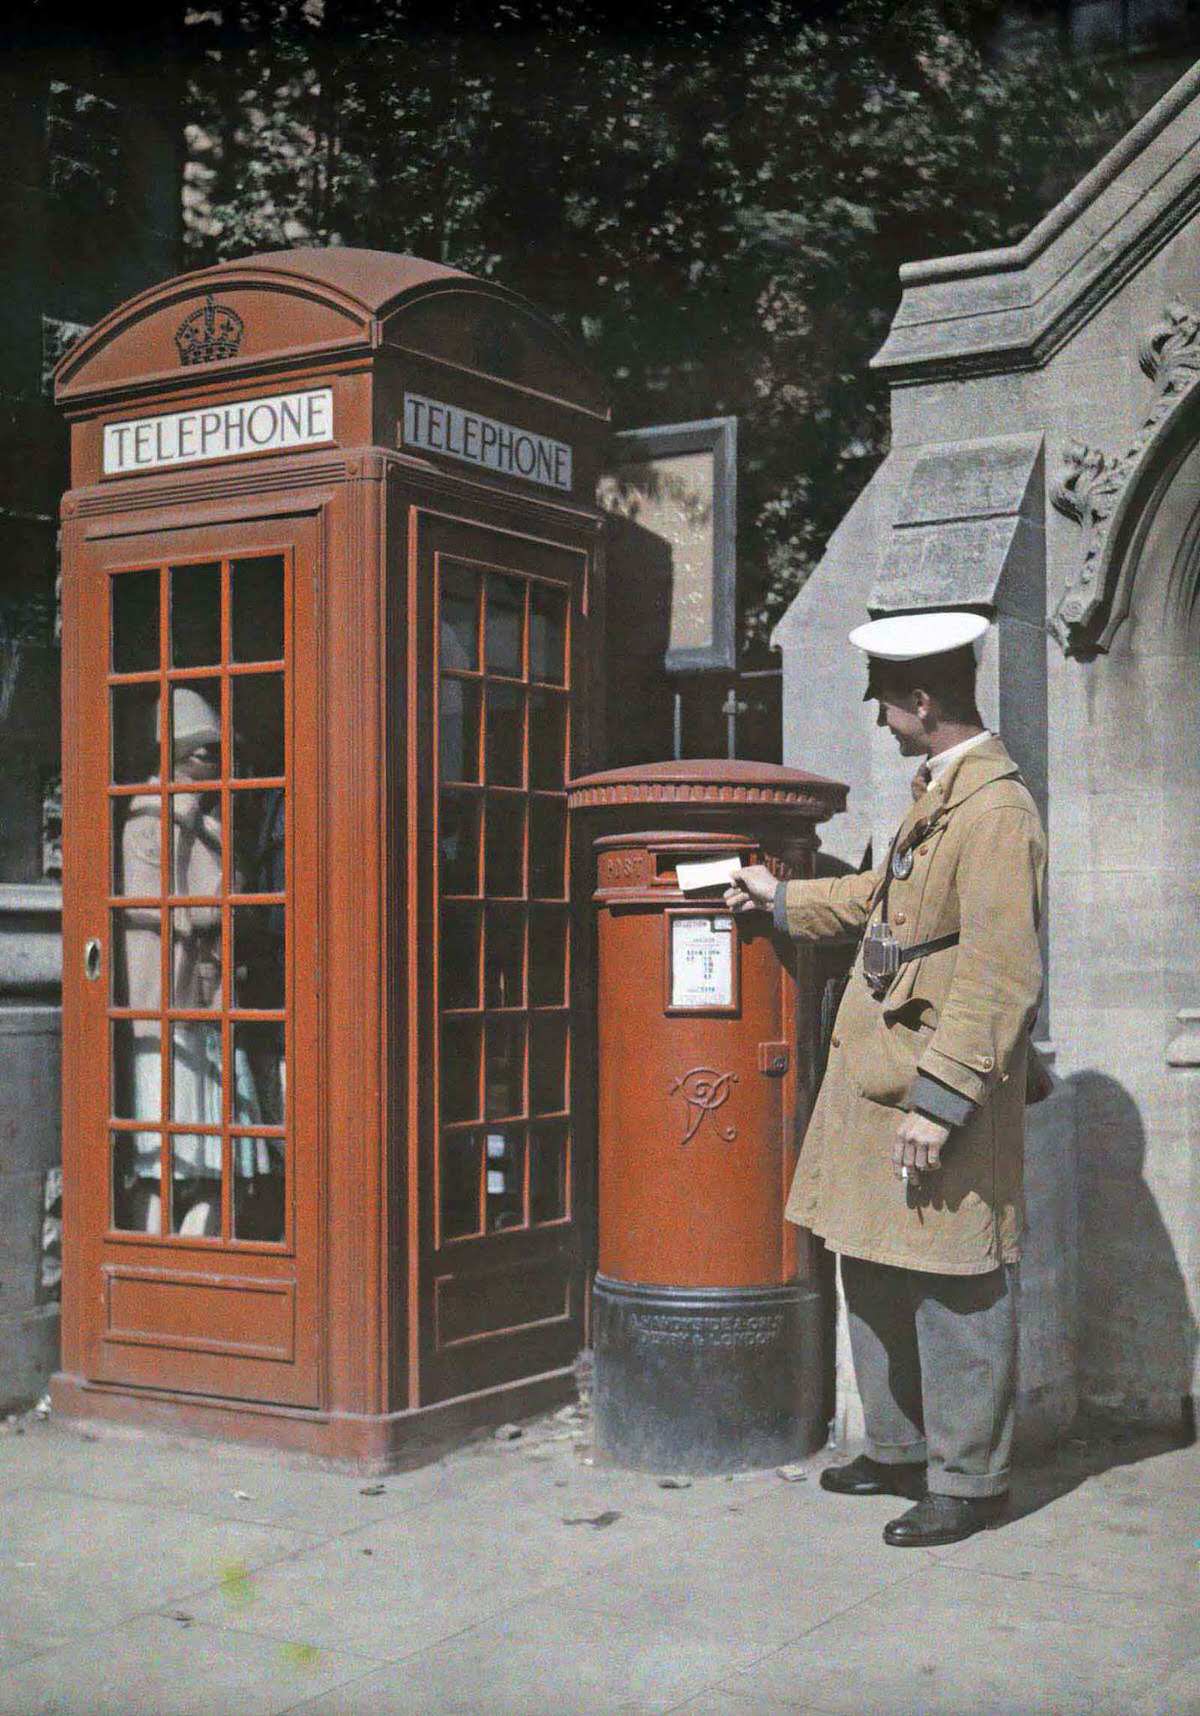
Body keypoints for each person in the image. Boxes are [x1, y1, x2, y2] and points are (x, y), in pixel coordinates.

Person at [725, 610, 1046, 1548]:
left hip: (933, 1086)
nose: (879, 722)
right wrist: (779, 898)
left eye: (887, 705)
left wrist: (942, 1106)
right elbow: (879, 900)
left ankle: (970, 1480)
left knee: (956, 1285)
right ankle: (901, 1450)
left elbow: (1001, 969)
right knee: (868, 1259)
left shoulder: (995, 811)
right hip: (874, 1080)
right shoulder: (939, 791)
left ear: (923, 699)